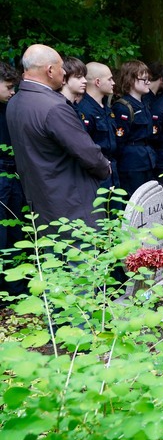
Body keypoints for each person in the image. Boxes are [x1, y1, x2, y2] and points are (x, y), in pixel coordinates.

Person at [7, 44, 111, 228]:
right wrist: (105, 168)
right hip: (72, 206)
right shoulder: (53, 107)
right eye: (61, 67)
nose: (64, 72)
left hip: (41, 202)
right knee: (81, 247)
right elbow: (85, 151)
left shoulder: (15, 102)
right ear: (49, 70)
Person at [0, 62, 27, 296]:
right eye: (8, 87)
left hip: (14, 173)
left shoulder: (10, 108)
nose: (12, 92)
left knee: (16, 229)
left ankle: (15, 289)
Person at [112, 60, 158, 196]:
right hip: (131, 163)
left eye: (149, 79)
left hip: (147, 159)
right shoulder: (123, 107)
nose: (148, 82)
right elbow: (119, 141)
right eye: (144, 79)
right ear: (131, 80)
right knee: (133, 200)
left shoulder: (145, 104)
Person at [76, 62, 119, 190]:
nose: (113, 83)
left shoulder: (106, 108)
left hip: (112, 169)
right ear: (98, 82)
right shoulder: (84, 110)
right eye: (109, 79)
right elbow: (84, 148)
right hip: (95, 173)